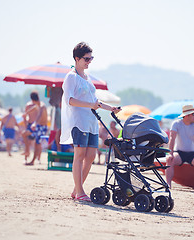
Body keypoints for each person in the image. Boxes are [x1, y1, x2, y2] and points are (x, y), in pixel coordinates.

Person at [60, 42, 121, 202]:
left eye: (91, 58)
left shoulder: (87, 78)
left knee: (91, 156)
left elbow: (95, 100)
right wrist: (90, 105)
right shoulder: (71, 77)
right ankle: (80, 191)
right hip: (79, 121)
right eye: (86, 59)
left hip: (92, 122)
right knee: (79, 155)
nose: (89, 61)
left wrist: (111, 108)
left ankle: (76, 190)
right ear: (77, 58)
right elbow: (70, 100)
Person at [165, 104, 194, 193]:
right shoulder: (176, 123)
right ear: (187, 116)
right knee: (170, 159)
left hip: (192, 153)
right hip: (179, 152)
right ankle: (168, 184)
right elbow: (172, 139)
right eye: (193, 115)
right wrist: (170, 154)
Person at [24, 91, 48, 165]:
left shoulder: (41, 106)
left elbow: (39, 115)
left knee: (37, 144)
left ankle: (33, 161)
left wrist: (34, 123)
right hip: (39, 127)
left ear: (32, 100)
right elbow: (34, 108)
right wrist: (26, 113)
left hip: (42, 127)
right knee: (25, 134)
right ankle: (28, 152)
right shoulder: (38, 104)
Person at [21, 91, 40, 160]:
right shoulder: (38, 105)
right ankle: (36, 158)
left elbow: (25, 116)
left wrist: (26, 125)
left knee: (32, 141)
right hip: (35, 124)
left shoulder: (29, 105)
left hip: (32, 124)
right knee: (37, 142)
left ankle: (27, 155)